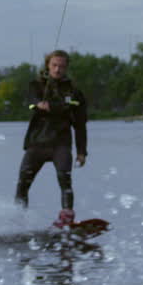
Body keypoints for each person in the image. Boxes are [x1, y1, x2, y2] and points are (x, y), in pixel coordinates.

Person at [15, 50, 88, 227]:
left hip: (60, 144)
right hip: (37, 142)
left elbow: (80, 125)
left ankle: (67, 218)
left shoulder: (74, 92)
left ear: (66, 68)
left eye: (61, 66)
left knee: (65, 178)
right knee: (23, 183)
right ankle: (18, 219)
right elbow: (32, 103)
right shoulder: (36, 86)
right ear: (48, 65)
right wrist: (40, 104)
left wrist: (81, 152)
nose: (57, 69)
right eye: (54, 65)